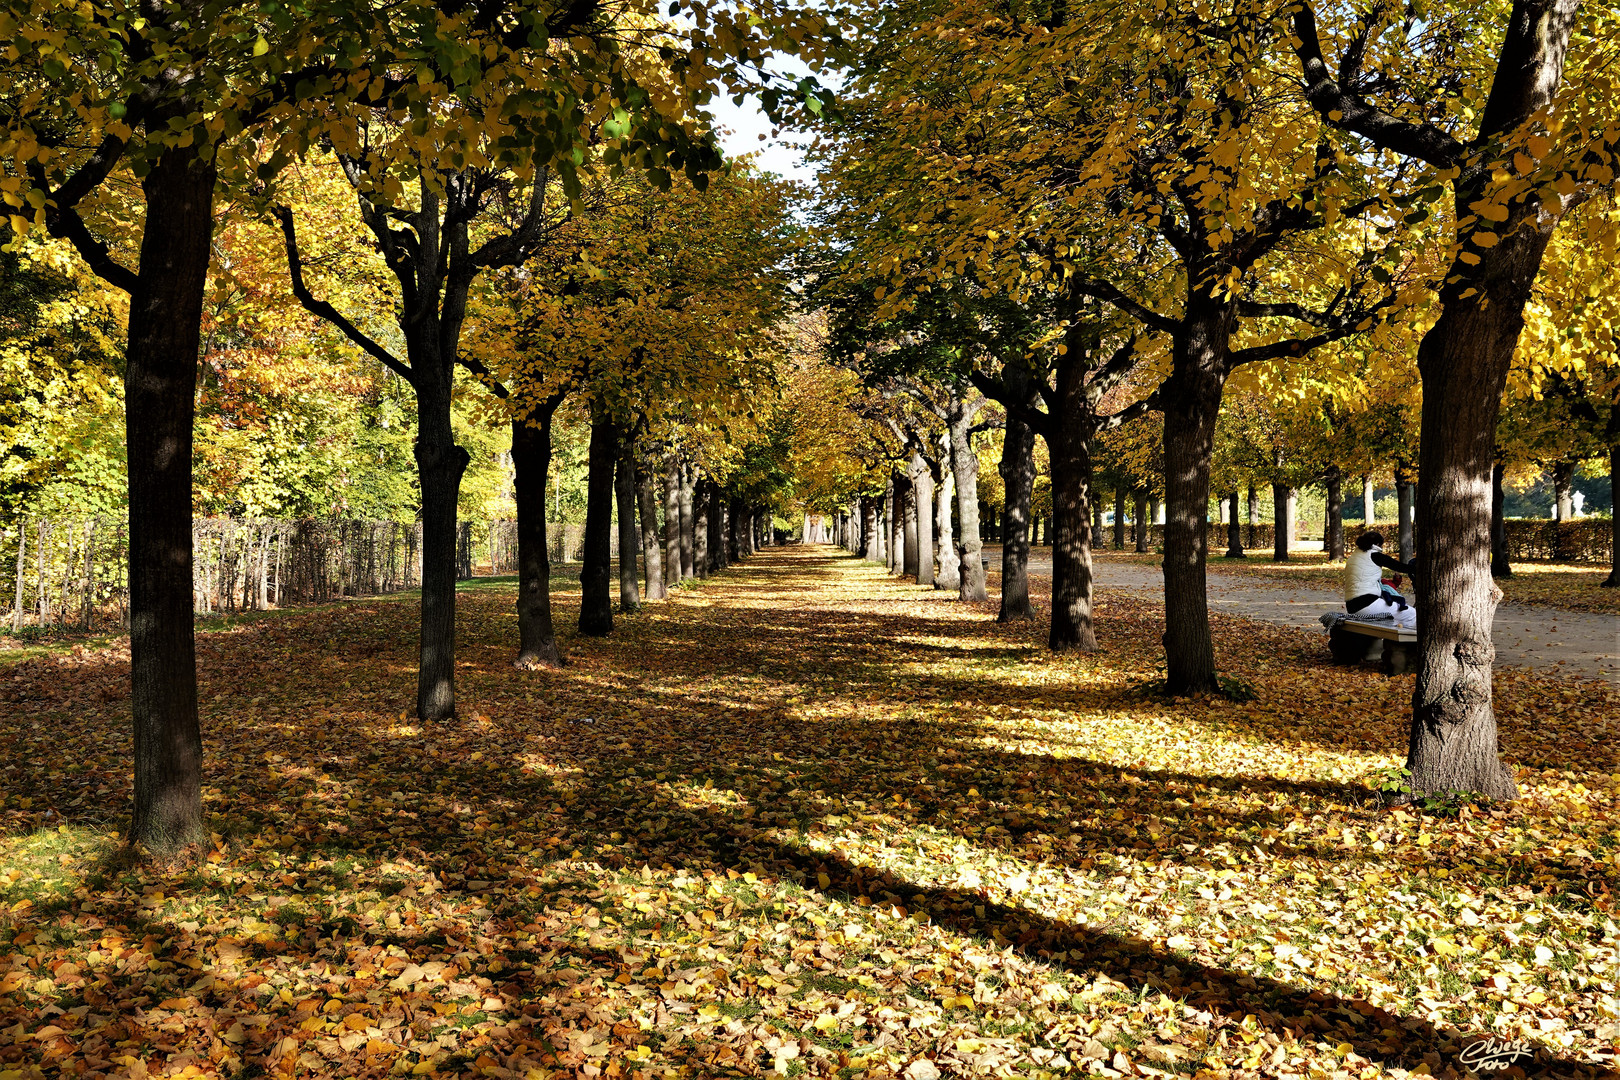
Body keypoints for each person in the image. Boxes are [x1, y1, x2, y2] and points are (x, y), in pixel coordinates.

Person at [1344, 530, 1417, 629]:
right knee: (1412, 614)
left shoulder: (1353, 556)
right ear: (1378, 544)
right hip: (1368, 604)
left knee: (1396, 619)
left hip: (1352, 606)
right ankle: (1409, 643)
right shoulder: (1374, 555)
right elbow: (1398, 566)